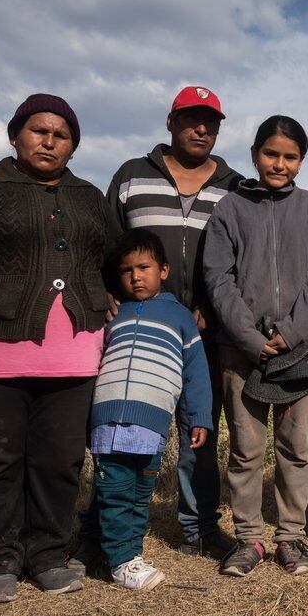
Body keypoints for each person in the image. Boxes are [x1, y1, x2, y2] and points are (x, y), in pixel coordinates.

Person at [0, 93, 121, 602]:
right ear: (16, 135)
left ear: (73, 146)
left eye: (62, 134)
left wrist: (110, 294)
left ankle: (48, 552)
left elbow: (113, 258)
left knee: (59, 459)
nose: (49, 140)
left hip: (75, 352)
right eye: (39, 130)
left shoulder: (89, 197)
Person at [74, 86, 242, 571]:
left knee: (199, 431)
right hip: (137, 330)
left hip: (203, 332)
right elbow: (104, 245)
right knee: (118, 434)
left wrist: (214, 305)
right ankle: (96, 529)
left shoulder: (234, 186)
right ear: (171, 122)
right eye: (191, 118)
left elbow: (239, 256)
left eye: (210, 121)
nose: (201, 128)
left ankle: (199, 528)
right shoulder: (131, 177)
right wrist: (106, 294)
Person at [203, 115, 308, 577]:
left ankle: (291, 537)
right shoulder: (229, 209)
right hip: (242, 350)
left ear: (301, 160)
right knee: (244, 447)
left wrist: (293, 331)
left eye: (290, 156)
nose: (279, 164)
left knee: (296, 445)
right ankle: (249, 539)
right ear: (255, 153)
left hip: (302, 347)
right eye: (271, 154)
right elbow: (218, 278)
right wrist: (250, 336)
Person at [87, 229, 213, 591]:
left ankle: (123, 552)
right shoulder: (113, 314)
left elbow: (197, 371)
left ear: (164, 270)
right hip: (110, 419)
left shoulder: (181, 318)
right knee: (115, 491)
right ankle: (122, 561)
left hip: (153, 424)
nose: (135, 276)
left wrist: (201, 416)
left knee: (140, 493)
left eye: (144, 267)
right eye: (126, 270)